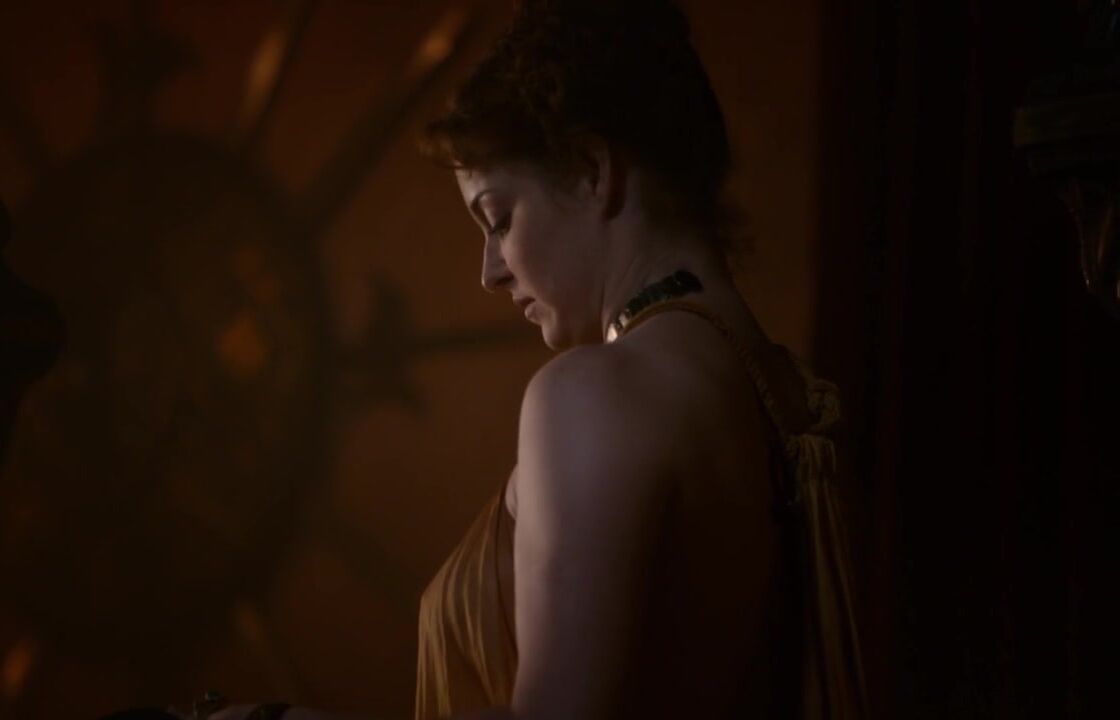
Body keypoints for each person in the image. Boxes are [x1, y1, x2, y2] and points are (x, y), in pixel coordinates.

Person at [208, 1, 864, 718]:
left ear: (590, 170)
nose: (490, 272)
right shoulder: (770, 394)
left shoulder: (593, 395)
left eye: (498, 218)